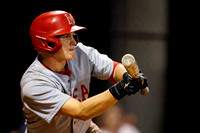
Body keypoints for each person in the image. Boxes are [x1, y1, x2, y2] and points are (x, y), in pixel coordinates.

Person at [20, 10, 148, 133]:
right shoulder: (34, 83)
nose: (74, 42)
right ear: (47, 42)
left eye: (73, 35)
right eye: (66, 36)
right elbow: (81, 111)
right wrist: (121, 89)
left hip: (85, 129)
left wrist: (127, 77)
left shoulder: (81, 53)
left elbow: (114, 69)